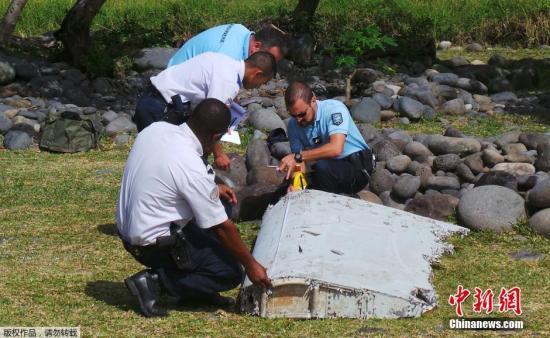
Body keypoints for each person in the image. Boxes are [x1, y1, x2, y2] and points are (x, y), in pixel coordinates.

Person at [118, 99, 271, 318]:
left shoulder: (156, 129)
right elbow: (222, 228)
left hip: (129, 230)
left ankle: (196, 291)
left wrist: (214, 189)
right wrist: (251, 265)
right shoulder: (189, 163)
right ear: (216, 137)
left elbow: (167, 177)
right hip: (152, 244)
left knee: (223, 206)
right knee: (228, 272)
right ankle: (155, 282)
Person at [133, 51, 276, 170]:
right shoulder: (228, 81)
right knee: (160, 163)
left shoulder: (223, 59)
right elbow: (211, 122)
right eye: (262, 83)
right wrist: (219, 154)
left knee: (153, 159)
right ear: (257, 73)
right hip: (161, 108)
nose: (258, 87)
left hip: (152, 98)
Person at [277, 81, 375, 195]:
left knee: (322, 167)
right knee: (284, 190)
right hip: (330, 168)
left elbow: (336, 148)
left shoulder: (334, 109)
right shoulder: (293, 126)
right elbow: (299, 163)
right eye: (293, 115)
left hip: (357, 169)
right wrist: (296, 185)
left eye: (302, 114)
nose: (298, 120)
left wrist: (298, 156)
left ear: (313, 100)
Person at [168, 24, 285, 67]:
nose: (271, 66)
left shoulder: (241, 29)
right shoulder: (228, 58)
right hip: (174, 88)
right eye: (271, 60)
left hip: (177, 63)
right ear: (256, 46)